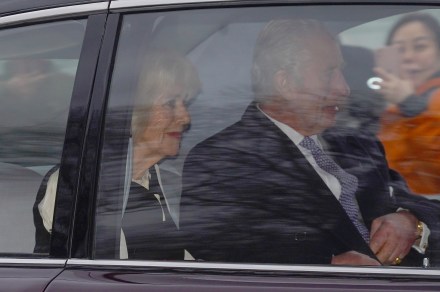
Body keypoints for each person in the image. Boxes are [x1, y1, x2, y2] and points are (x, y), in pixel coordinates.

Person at [180, 19, 440, 266]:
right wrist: (324, 265)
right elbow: (223, 245)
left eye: (342, 72)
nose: (344, 88)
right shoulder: (223, 159)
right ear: (285, 84)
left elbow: (420, 202)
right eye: (329, 74)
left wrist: (410, 221)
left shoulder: (358, 144)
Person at [33, 51, 201, 259]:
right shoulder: (77, 185)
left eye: (186, 103)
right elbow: (81, 278)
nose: (185, 117)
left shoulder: (169, 183)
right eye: (170, 104)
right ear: (133, 111)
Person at [375, 13, 440, 196]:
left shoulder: (418, 101)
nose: (408, 57)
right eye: (400, 50)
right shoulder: (393, 106)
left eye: (420, 47)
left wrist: (410, 105)